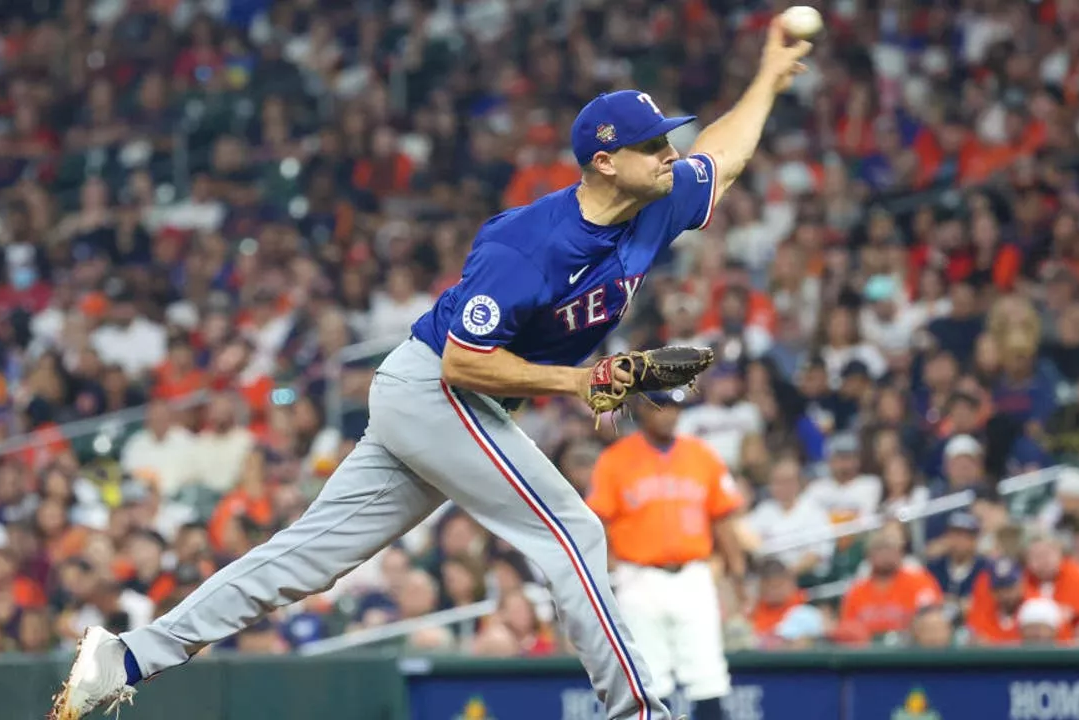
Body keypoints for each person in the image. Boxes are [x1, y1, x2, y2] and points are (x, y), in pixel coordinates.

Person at [48, 20, 812, 720]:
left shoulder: (657, 199)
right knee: (572, 531)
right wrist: (580, 382)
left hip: (449, 403)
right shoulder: (529, 244)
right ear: (606, 161)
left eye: (667, 141)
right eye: (653, 146)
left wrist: (770, 79)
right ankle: (640, 712)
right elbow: (463, 361)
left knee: (306, 559)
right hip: (437, 388)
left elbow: (727, 156)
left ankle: (131, 655)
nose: (670, 155)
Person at [586, 389, 746, 720]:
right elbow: (596, 521)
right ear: (642, 409)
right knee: (651, 679)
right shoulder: (615, 459)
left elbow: (723, 518)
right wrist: (614, 570)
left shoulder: (702, 455)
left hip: (694, 574)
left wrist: (737, 572)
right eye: (660, 406)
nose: (669, 413)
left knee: (708, 673)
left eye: (674, 406)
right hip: (639, 576)